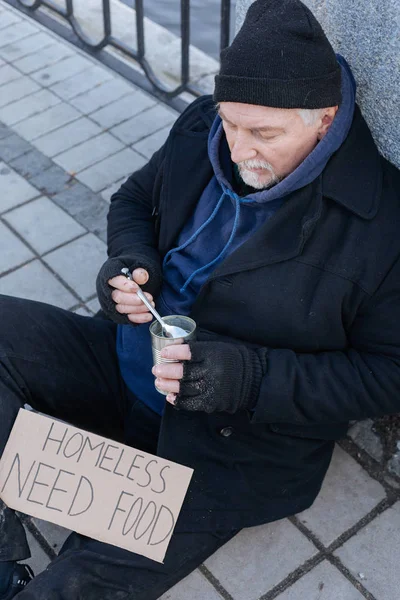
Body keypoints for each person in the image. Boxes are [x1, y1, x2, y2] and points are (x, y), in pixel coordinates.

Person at [1, 0, 400, 597]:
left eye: (264, 133)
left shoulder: (384, 222)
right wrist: (129, 264)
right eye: (230, 123)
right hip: (125, 365)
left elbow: (389, 373)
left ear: (325, 118)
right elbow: (134, 198)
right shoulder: (201, 128)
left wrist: (251, 378)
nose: (239, 152)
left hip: (233, 443)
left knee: (77, 582)